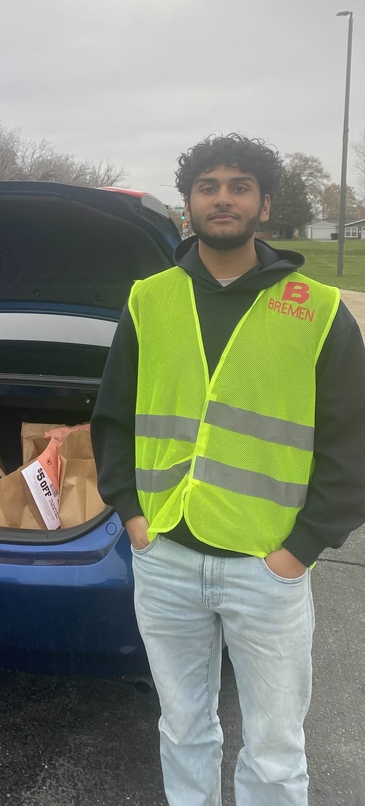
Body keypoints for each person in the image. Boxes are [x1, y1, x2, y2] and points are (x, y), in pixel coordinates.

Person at [91, 133, 365, 806]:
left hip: (266, 570)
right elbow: (113, 419)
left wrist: (300, 552)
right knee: (183, 728)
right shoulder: (147, 300)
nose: (222, 198)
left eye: (239, 186)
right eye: (208, 186)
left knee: (274, 753)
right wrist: (131, 517)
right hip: (166, 560)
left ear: (264, 205)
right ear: (188, 204)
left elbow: (351, 443)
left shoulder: (320, 310)